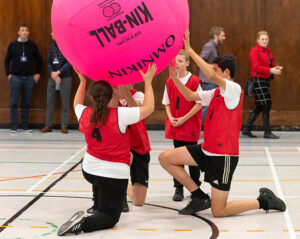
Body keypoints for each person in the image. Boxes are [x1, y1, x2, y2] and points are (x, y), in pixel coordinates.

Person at [159, 30, 286, 217]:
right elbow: (190, 95)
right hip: (206, 150)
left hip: (222, 157)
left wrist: (190, 51)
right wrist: (174, 77)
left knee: (219, 211)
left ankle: (264, 201)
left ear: (226, 72)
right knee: (165, 158)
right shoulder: (216, 92)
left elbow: (209, 75)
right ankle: (199, 196)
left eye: (216, 70)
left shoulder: (233, 89)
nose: (212, 73)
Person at [57, 63, 157, 236]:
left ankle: (98, 204)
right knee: (110, 217)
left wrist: (82, 80)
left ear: (93, 98)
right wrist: (148, 81)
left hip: (88, 171)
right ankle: (82, 224)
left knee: (101, 185)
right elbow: (149, 108)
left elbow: (76, 103)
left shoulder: (85, 112)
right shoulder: (120, 116)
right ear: (113, 95)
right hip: (112, 175)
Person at [87, 84, 152, 214]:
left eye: (129, 81)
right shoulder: (109, 96)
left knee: (138, 201)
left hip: (139, 146)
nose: (127, 83)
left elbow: (135, 111)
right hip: (119, 146)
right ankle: (118, 196)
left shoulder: (138, 95)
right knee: (110, 160)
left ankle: (115, 186)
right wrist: (115, 96)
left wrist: (125, 91)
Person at [162, 49, 203, 201]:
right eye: (174, 62)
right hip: (176, 125)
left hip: (189, 125)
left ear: (187, 63)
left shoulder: (195, 81)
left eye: (179, 61)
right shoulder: (169, 81)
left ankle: (195, 188)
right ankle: (178, 188)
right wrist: (171, 116)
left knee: (193, 160)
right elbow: (166, 103)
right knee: (176, 159)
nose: (176, 64)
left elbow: (199, 104)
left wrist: (184, 118)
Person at [242, 31, 283, 139]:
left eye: (266, 39)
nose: (264, 41)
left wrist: (275, 69)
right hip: (258, 80)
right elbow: (256, 67)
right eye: (262, 39)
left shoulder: (268, 51)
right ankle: (267, 132)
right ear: (258, 40)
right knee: (267, 103)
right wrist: (270, 70)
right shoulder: (254, 51)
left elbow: (270, 65)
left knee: (260, 105)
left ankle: (246, 129)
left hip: (265, 80)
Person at [4, 24, 42, 133]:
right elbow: (6, 61)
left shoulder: (32, 45)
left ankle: (25, 125)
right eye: (22, 30)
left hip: (29, 78)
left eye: (26, 30)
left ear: (28, 33)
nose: (24, 32)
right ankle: (14, 126)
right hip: (15, 78)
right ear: (18, 33)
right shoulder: (12, 45)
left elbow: (39, 60)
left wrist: (38, 73)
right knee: (14, 102)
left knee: (26, 102)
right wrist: (8, 74)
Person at [40, 33, 72, 134]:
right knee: (49, 103)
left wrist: (58, 72)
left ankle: (64, 126)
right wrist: (52, 73)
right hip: (53, 78)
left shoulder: (66, 46)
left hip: (65, 77)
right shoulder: (51, 46)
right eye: (52, 33)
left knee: (65, 103)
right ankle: (48, 125)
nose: (52, 34)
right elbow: (48, 62)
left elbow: (70, 62)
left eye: (54, 32)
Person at [199, 26, 225, 120]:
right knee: (211, 103)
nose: (224, 37)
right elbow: (200, 60)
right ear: (215, 35)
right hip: (208, 80)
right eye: (222, 35)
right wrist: (211, 67)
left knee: (213, 103)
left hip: (211, 80)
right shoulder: (209, 46)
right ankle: (193, 122)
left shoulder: (214, 46)